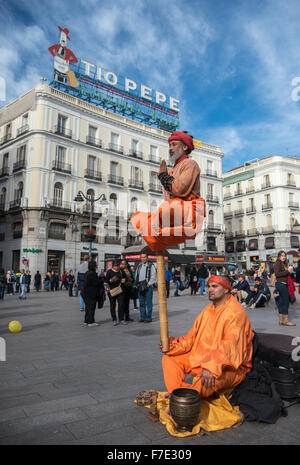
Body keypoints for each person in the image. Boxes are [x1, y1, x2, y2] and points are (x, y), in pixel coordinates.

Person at [161, 275, 254, 397]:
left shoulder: (235, 313)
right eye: (209, 286)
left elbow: (231, 346)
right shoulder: (208, 310)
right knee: (169, 359)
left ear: (226, 289)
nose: (210, 289)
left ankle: (186, 396)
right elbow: (191, 337)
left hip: (229, 368)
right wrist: (172, 346)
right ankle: (180, 394)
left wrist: (211, 366)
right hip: (203, 359)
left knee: (204, 383)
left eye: (214, 286)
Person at [274, 250, 296, 326]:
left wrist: (291, 271)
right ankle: (286, 321)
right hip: (280, 284)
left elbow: (285, 274)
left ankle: (281, 320)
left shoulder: (283, 264)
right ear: (279, 256)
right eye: (282, 256)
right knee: (286, 302)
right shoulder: (277, 263)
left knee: (282, 302)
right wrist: (287, 271)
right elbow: (277, 274)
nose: (283, 257)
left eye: (284, 256)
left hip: (282, 284)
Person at [81, 260, 104, 327]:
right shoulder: (92, 274)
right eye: (96, 265)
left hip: (85, 293)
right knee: (91, 307)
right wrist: (101, 279)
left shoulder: (87, 272)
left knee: (87, 308)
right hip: (90, 294)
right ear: (94, 266)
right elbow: (96, 283)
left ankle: (86, 321)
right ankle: (91, 322)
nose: (96, 266)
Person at [135, 253, 157, 322]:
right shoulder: (139, 265)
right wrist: (136, 284)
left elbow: (154, 276)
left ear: (147, 258)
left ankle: (148, 318)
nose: (143, 258)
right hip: (140, 286)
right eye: (142, 257)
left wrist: (149, 284)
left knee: (148, 303)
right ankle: (143, 317)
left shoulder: (151, 266)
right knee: (141, 303)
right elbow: (136, 275)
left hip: (148, 286)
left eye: (144, 257)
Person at [105, 260, 126, 326]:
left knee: (121, 304)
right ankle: (114, 319)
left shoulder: (121, 271)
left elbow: (125, 278)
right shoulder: (109, 272)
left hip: (120, 290)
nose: (117, 267)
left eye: (117, 266)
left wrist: (124, 280)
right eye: (115, 266)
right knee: (112, 305)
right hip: (112, 291)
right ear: (112, 266)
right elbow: (106, 281)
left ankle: (121, 319)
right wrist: (110, 280)